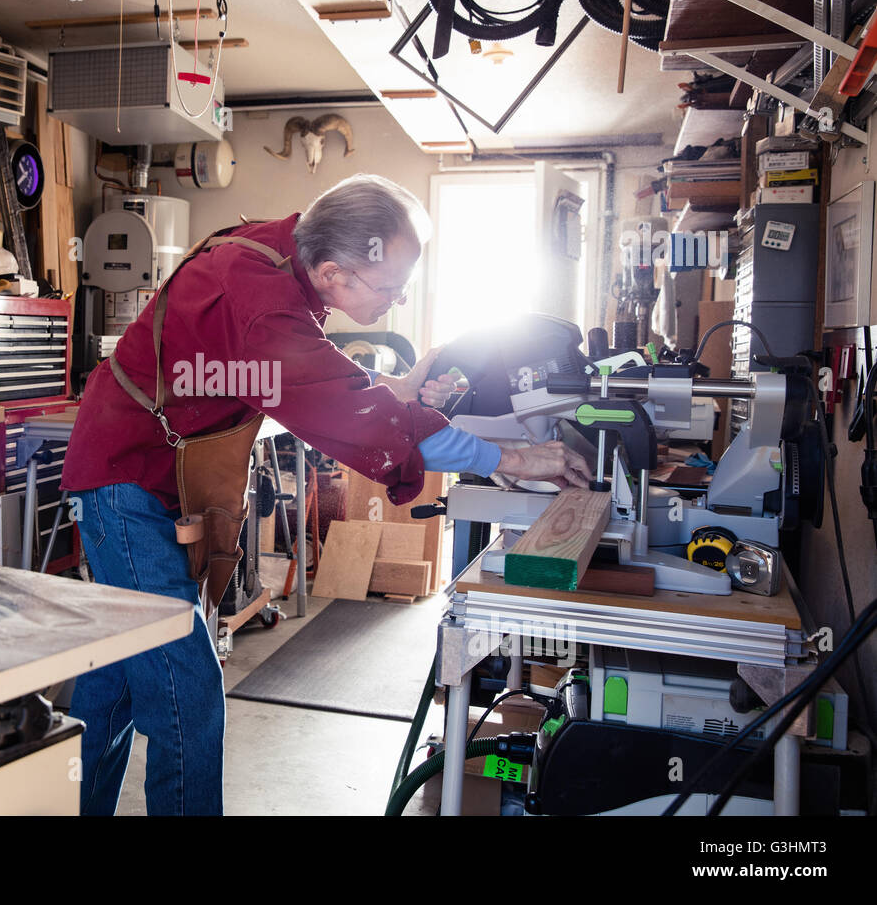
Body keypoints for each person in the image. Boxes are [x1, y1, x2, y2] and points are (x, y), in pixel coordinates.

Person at [60, 174, 592, 815]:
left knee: (116, 681)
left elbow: (318, 373)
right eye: (390, 288)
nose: (396, 302)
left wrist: (395, 388)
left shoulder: (290, 256)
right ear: (337, 271)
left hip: (148, 467)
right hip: (125, 474)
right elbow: (348, 408)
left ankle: (65, 804)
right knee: (185, 689)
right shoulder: (259, 296)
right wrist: (515, 456)